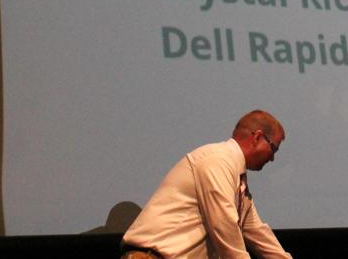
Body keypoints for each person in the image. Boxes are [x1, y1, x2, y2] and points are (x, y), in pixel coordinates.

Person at [121, 110, 292, 259]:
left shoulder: (237, 179)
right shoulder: (218, 161)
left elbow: (257, 232)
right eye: (273, 148)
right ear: (257, 137)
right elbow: (224, 224)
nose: (272, 158)